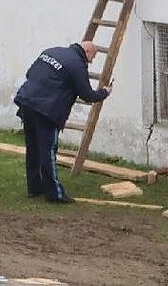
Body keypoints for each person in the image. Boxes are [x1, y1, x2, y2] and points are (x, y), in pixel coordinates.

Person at [14, 41, 111, 203]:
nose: (91, 62)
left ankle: (34, 188)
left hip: (27, 102)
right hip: (46, 111)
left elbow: (29, 73)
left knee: (33, 148)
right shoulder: (77, 64)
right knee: (48, 151)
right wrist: (104, 92)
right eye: (91, 57)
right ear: (86, 51)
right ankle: (55, 194)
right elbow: (87, 95)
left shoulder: (50, 51)